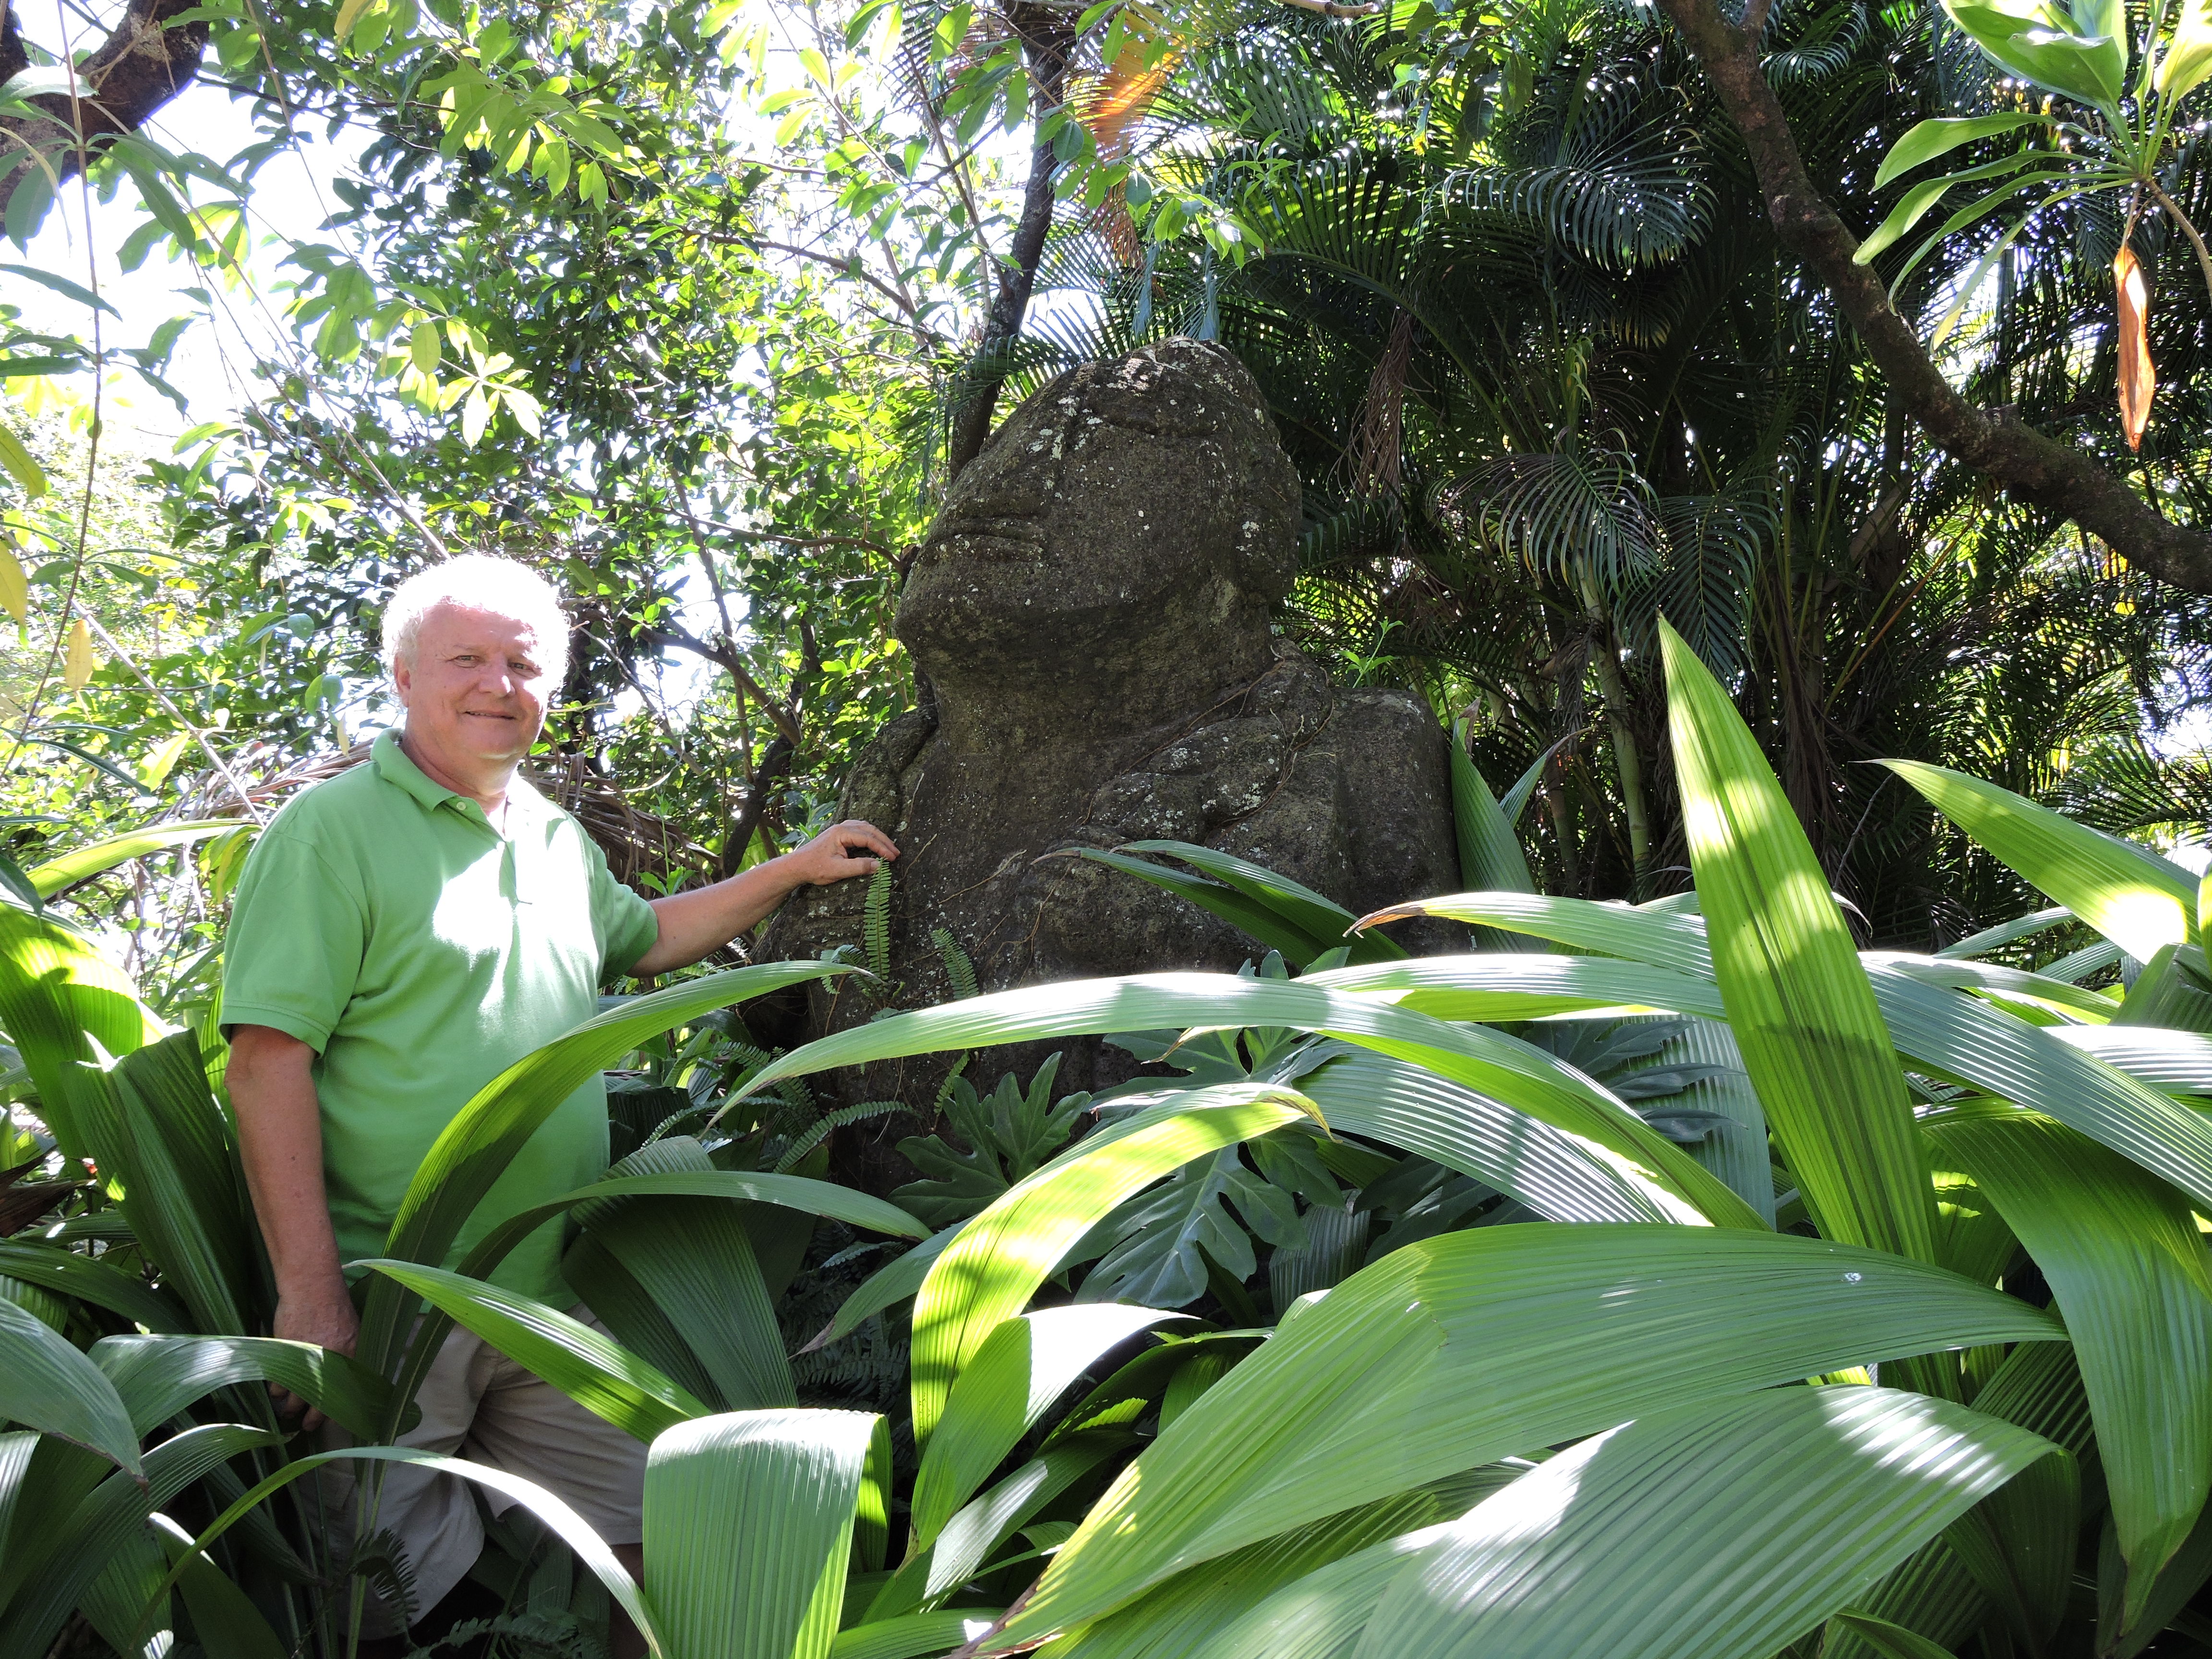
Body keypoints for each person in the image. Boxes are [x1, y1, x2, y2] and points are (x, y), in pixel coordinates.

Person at [221, 553, 897, 1656]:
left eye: (525, 663)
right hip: (392, 1296)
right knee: (385, 1608)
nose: (501, 683)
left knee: (645, 1557)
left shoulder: (549, 833)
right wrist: (312, 1299)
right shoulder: (329, 832)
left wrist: (793, 870)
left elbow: (643, 938)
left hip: (547, 1294)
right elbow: (265, 1064)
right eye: (468, 660)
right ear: (402, 676)